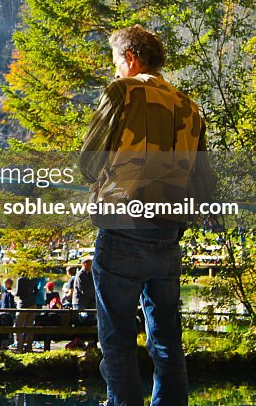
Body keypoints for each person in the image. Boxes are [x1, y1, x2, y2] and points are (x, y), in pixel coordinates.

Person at [80, 24, 216, 406]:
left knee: (118, 340)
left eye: (115, 62)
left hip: (123, 225)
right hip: (168, 235)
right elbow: (203, 185)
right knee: (167, 341)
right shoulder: (190, 106)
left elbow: (90, 162)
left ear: (131, 59)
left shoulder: (121, 92)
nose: (114, 70)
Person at [14, 274, 36, 352]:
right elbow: (36, 290)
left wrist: (13, 293)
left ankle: (20, 347)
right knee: (30, 326)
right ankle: (29, 347)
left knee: (18, 326)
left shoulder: (20, 280)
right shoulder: (33, 279)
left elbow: (18, 293)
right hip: (32, 304)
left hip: (23, 305)